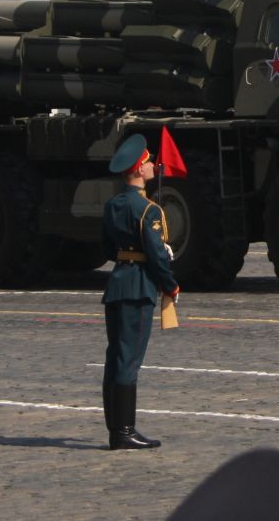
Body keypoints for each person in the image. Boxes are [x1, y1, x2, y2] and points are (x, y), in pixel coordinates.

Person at [99, 133, 178, 450]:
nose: (152, 165)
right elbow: (157, 256)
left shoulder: (113, 206)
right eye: (147, 162)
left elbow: (107, 248)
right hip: (139, 287)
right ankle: (124, 432)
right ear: (137, 170)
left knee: (115, 358)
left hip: (117, 284)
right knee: (129, 360)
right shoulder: (149, 210)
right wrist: (170, 284)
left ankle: (115, 429)